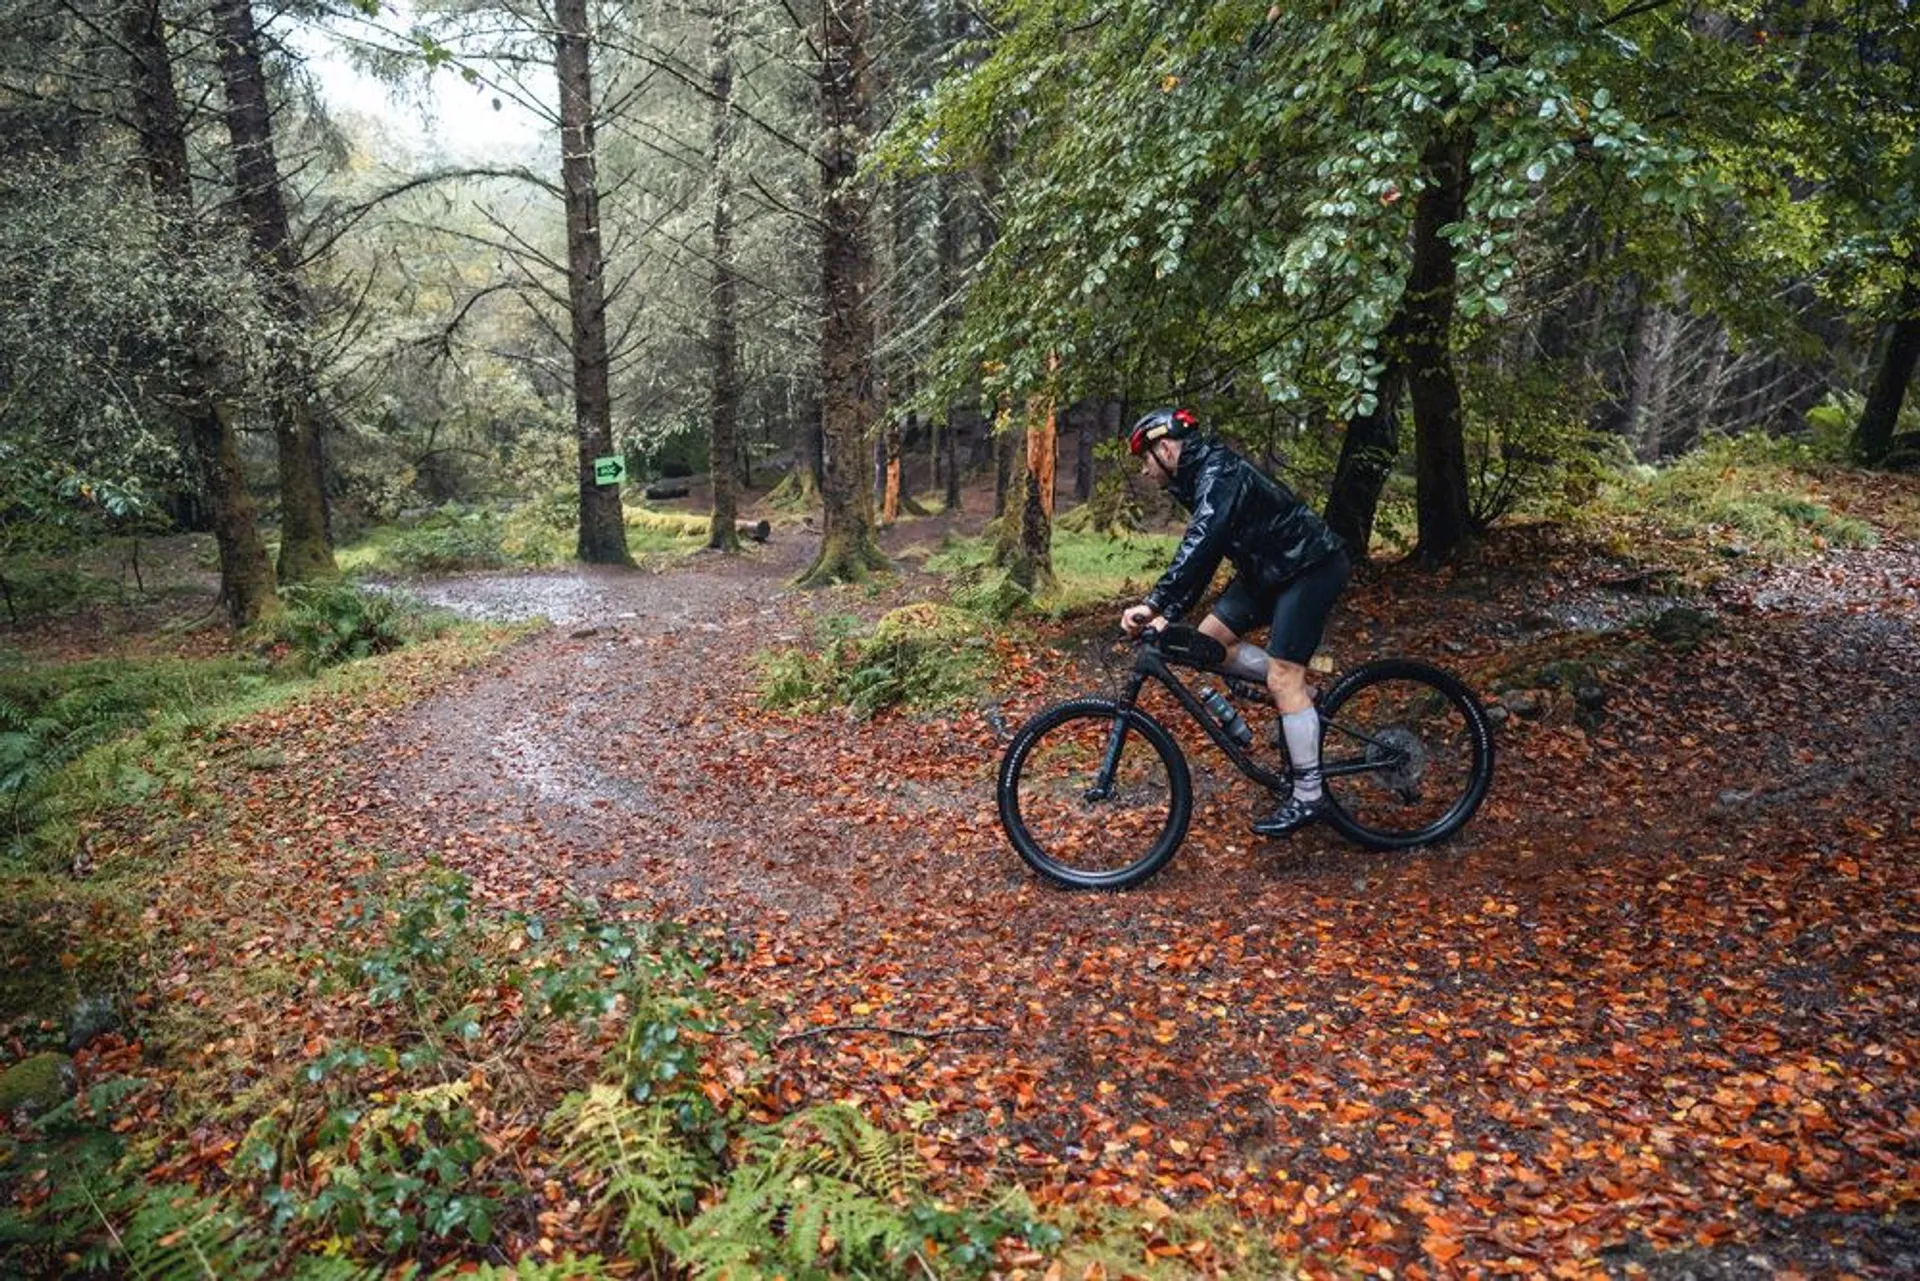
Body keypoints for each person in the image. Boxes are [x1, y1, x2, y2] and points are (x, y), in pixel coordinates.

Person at [1120, 407, 1351, 836]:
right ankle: (1304, 694)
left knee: (1283, 677)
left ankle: (1309, 796)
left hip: (1309, 565)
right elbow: (1207, 552)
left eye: (1145, 460)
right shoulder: (1199, 476)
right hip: (1267, 570)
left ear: (1166, 448)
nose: (1146, 472)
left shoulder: (1218, 472)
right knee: (1208, 646)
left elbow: (1203, 539)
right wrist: (1169, 611)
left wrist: (1156, 604)